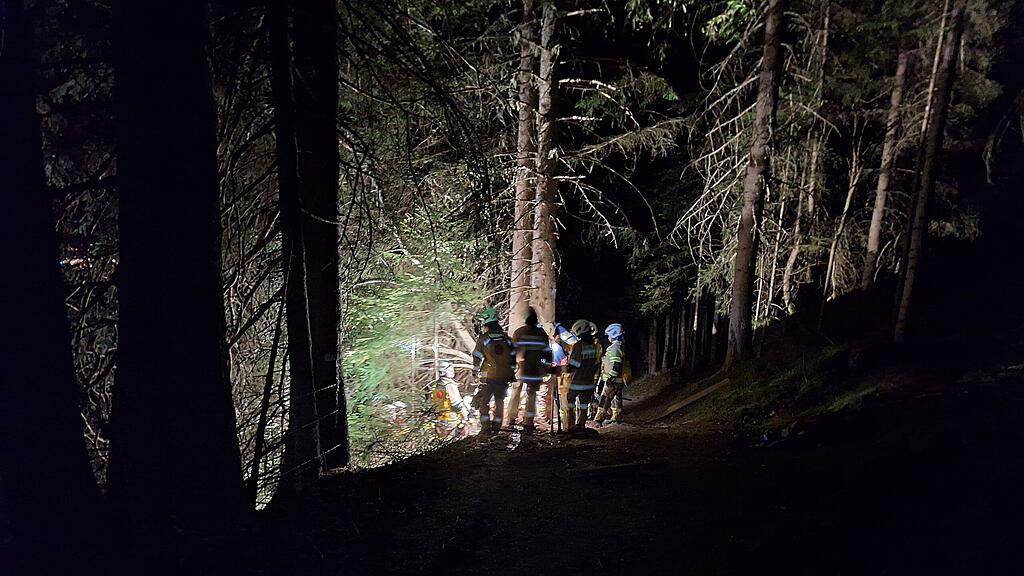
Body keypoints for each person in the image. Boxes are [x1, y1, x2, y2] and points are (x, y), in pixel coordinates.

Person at [471, 307, 516, 435]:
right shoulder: (507, 339)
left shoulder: (484, 338)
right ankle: (497, 427)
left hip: (489, 376)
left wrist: (475, 373)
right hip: (504, 376)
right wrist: (510, 372)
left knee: (484, 401)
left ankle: (485, 427)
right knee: (499, 401)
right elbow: (513, 357)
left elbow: (477, 356)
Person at [507, 308, 552, 431]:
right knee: (531, 395)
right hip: (536, 370)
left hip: (520, 369)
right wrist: (547, 367)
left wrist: (511, 367)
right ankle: (529, 422)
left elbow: (512, 352)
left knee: (515, 393)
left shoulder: (519, 332)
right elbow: (547, 352)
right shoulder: (541, 334)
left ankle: (511, 419)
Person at [564, 319, 602, 432]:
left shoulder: (578, 346)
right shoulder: (594, 346)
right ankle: (581, 425)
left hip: (577, 381)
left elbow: (573, 365)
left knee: (570, 402)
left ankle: (570, 426)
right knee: (584, 405)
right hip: (589, 382)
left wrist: (560, 369)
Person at [543, 321, 577, 431]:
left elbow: (560, 364)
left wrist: (552, 368)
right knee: (564, 403)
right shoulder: (557, 345)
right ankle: (567, 425)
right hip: (562, 377)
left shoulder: (556, 347)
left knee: (565, 403)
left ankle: (568, 427)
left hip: (563, 378)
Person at [595, 323, 631, 425]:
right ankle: (616, 417)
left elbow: (616, 364)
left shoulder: (615, 348)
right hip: (619, 380)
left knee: (604, 399)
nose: (608, 338)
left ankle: (598, 420)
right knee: (616, 398)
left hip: (614, 380)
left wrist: (610, 377)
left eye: (609, 336)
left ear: (613, 335)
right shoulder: (620, 346)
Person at [428, 360, 470, 439]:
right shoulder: (449, 385)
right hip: (451, 420)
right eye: (450, 370)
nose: (452, 372)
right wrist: (466, 415)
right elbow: (456, 404)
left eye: (452, 370)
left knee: (442, 442)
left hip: (440, 419)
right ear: (443, 372)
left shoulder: (437, 385)